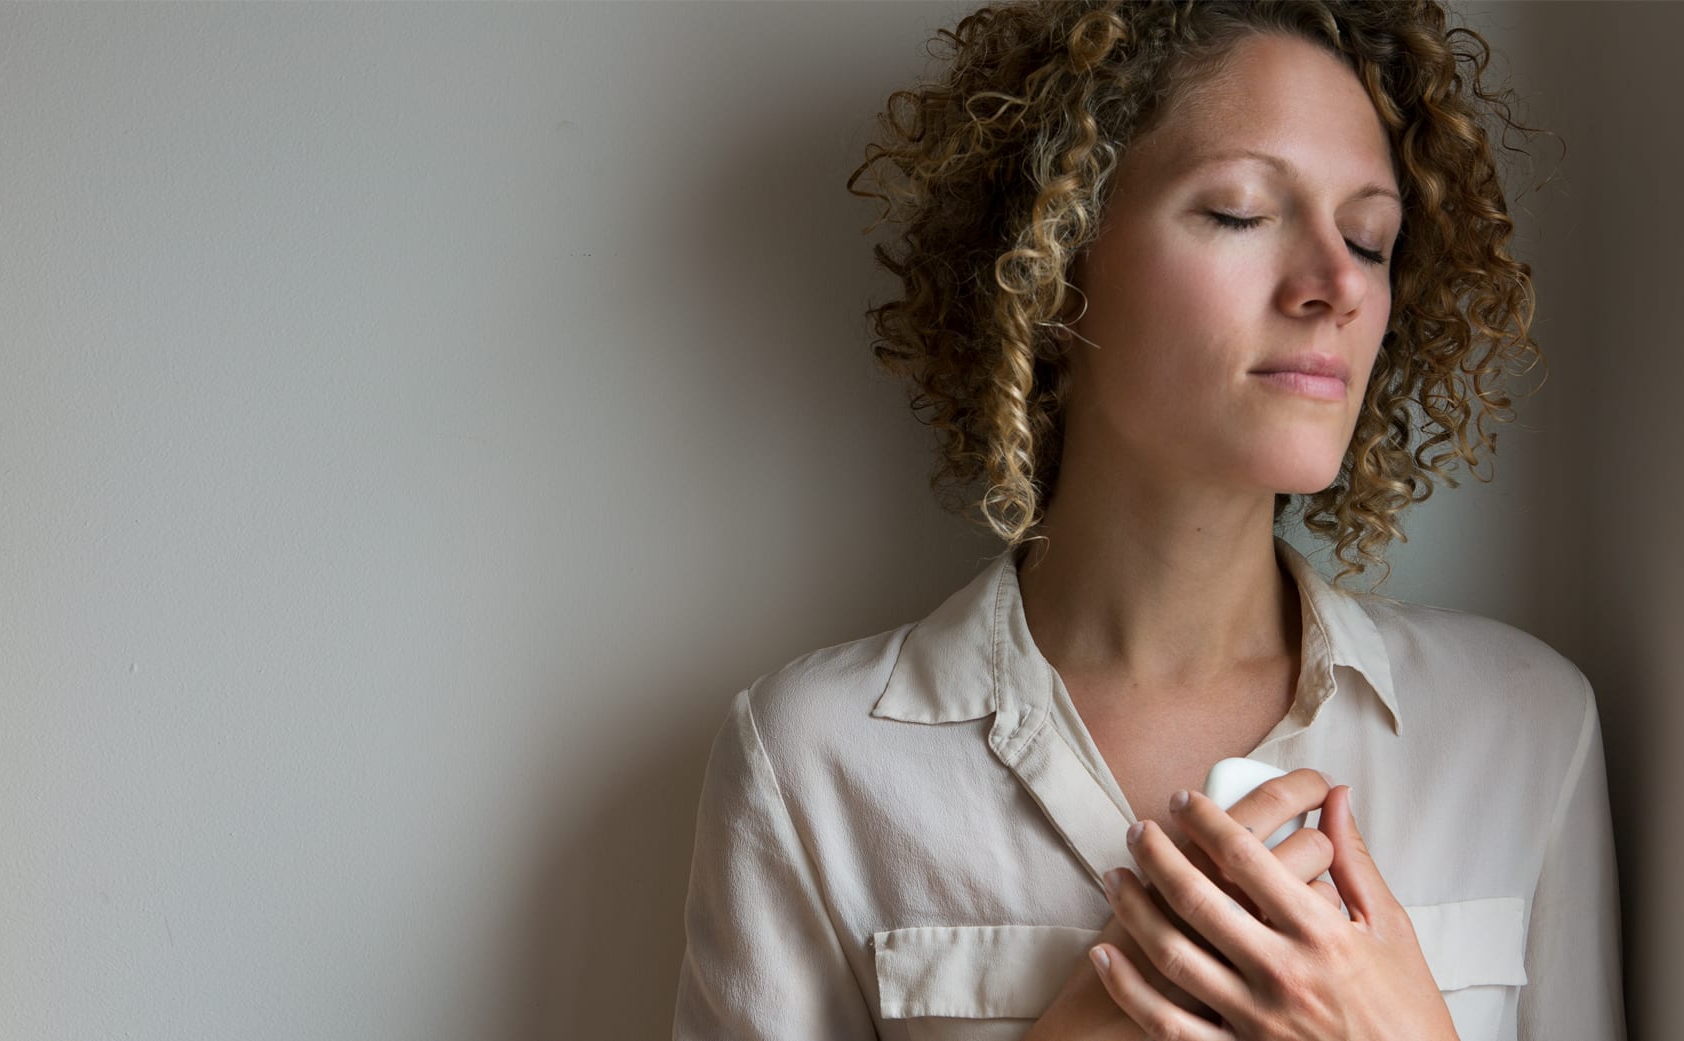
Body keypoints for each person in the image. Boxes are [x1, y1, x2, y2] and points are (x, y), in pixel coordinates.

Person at [673, 2, 1624, 1039]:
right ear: (1053, 257)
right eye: (1239, 213)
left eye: (1368, 237)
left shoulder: (1522, 726)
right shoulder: (813, 760)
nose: (1334, 284)